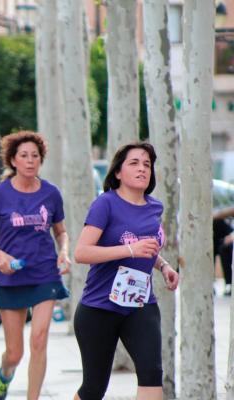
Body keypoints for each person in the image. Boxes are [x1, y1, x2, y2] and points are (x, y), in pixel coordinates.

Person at [72, 142, 179, 400]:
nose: (142, 168)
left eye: (147, 164)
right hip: (99, 307)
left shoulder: (155, 207)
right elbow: (82, 253)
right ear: (118, 172)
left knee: (152, 374)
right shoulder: (105, 204)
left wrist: (162, 265)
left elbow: (147, 247)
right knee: (94, 388)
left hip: (140, 304)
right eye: (134, 163)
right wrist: (130, 250)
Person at [0, 131, 70, 400]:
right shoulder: (0, 194)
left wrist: (63, 251)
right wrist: (1, 257)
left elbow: (60, 231)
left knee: (39, 339)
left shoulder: (51, 193)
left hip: (44, 274)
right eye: (24, 156)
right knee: (15, 353)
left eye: (35, 156)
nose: (30, 161)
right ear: (13, 160)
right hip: (11, 276)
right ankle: (4, 376)